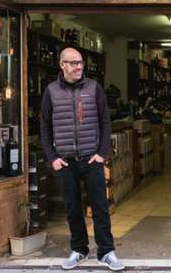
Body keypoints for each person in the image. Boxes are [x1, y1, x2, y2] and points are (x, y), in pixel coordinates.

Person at [41, 47, 124, 271]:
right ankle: (79, 250)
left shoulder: (93, 88)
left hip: (91, 159)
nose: (79, 67)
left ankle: (106, 252)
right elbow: (45, 127)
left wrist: (101, 154)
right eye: (73, 63)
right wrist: (53, 158)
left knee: (100, 207)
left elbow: (105, 122)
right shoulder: (51, 91)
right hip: (65, 161)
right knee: (72, 208)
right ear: (62, 65)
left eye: (81, 63)